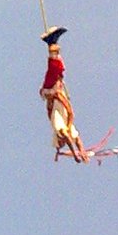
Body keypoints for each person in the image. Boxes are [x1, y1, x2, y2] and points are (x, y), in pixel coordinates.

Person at [40, 26, 90, 163]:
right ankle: (52, 41)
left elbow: (66, 137)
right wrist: (82, 151)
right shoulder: (68, 128)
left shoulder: (59, 127)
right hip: (57, 91)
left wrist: (75, 154)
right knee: (60, 68)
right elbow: (76, 139)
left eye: (60, 143)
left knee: (54, 69)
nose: (63, 143)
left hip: (51, 91)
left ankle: (51, 41)